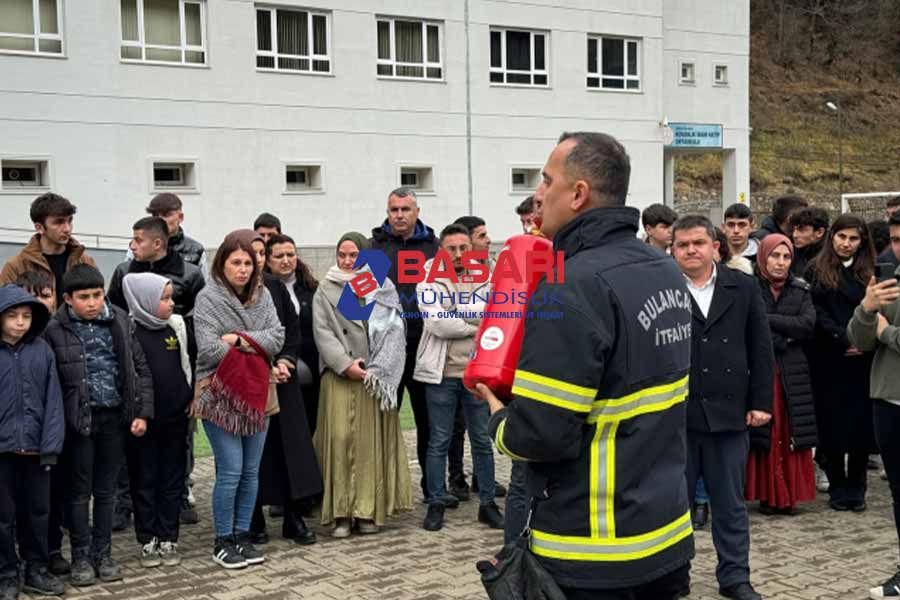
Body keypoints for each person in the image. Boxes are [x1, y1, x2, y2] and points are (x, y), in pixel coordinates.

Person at [477, 132, 695, 598]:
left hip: (593, 547)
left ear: (577, 194)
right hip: (665, 533)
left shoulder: (570, 285)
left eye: (546, 180)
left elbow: (541, 435)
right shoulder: (663, 269)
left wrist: (498, 417)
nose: (538, 194)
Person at [673, 215, 773, 600]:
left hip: (729, 414)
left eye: (698, 243)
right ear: (672, 250)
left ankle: (735, 576)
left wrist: (761, 402)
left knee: (730, 504)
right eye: (683, 245)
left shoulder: (743, 287)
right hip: (676, 416)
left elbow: (760, 347)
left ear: (715, 246)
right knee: (674, 505)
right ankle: (673, 576)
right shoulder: (661, 289)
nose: (691, 251)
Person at [43, 264, 153, 587]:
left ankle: (102, 553)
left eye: (97, 295)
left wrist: (141, 412)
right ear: (67, 299)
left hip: (114, 418)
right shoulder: (55, 329)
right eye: (84, 297)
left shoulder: (120, 319)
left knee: (106, 491)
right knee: (78, 492)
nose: (92, 303)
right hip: (78, 422)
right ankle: (80, 556)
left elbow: (140, 368)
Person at [190, 231, 284, 570]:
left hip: (258, 391)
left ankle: (243, 535)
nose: (243, 269)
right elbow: (208, 349)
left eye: (248, 263)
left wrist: (237, 339)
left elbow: (277, 337)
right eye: (236, 262)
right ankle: (223, 540)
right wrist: (255, 345)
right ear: (222, 263)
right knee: (230, 470)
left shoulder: (263, 295)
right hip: (219, 391)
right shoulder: (208, 298)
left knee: (250, 471)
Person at [108, 216, 204, 530]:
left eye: (138, 240)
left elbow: (198, 324)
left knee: (178, 441)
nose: (132, 245)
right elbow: (115, 314)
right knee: (134, 445)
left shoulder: (189, 274)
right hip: (136, 372)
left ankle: (178, 497)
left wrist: (193, 383)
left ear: (158, 243)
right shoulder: (124, 272)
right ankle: (125, 502)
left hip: (176, 364)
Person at [312, 232, 411, 538]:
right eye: (342, 254)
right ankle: (341, 513)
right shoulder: (325, 288)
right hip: (339, 376)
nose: (346, 261)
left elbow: (394, 332)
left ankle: (366, 511)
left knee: (368, 446)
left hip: (373, 379)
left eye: (353, 255)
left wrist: (376, 370)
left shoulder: (382, 287)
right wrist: (345, 364)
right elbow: (323, 332)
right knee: (339, 441)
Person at [415, 224, 503, 532]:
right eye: (451, 249)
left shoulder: (486, 277)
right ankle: (436, 502)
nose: (458, 254)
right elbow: (437, 322)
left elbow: (493, 312)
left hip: (476, 373)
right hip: (441, 373)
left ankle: (488, 504)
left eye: (463, 248)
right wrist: (474, 325)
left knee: (481, 439)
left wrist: (459, 314)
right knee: (439, 440)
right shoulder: (428, 277)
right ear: (441, 251)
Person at [243, 234, 322, 546]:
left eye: (262, 254)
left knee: (292, 448)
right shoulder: (227, 292)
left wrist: (287, 360)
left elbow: (292, 331)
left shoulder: (275, 288)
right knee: (255, 452)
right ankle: (253, 518)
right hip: (248, 381)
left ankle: (293, 516)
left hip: (283, 381)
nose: (258, 260)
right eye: (252, 254)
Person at [370, 188, 438, 499]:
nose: (399, 215)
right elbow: (357, 301)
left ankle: (432, 489)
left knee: (429, 424)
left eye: (405, 209)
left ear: (417, 212)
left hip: (425, 348)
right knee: (384, 423)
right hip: (388, 352)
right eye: (394, 209)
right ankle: (383, 492)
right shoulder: (374, 249)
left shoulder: (434, 249)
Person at [121, 273, 192, 569]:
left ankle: (168, 536)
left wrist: (189, 397)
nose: (171, 303)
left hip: (176, 419)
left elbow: (185, 364)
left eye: (171, 297)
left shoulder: (174, 327)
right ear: (145, 301)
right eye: (164, 299)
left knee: (172, 479)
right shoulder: (129, 332)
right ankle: (147, 538)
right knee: (145, 479)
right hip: (144, 424)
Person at [806, 215, 876, 512]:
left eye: (853, 238)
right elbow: (816, 312)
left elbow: (876, 309)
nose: (846, 244)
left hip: (863, 357)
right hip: (829, 356)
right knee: (831, 423)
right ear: (831, 236)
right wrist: (843, 338)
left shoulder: (870, 271)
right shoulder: (815, 270)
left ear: (862, 241)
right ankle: (836, 484)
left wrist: (862, 339)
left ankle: (857, 486)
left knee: (861, 424)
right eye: (842, 237)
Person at [744, 235, 817, 515]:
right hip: (760, 369)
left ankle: (789, 495)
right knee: (764, 430)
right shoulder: (749, 287)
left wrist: (767, 321)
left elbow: (806, 325)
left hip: (792, 370)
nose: (780, 262)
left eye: (786, 257)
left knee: (791, 429)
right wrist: (784, 335)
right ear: (763, 257)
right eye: (774, 256)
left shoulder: (800, 289)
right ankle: (766, 494)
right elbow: (747, 326)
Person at [0, 285, 65, 599]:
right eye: (12, 316)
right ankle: (6, 573)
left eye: (26, 316)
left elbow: (54, 401)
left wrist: (50, 447)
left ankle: (36, 569)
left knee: (38, 512)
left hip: (37, 450)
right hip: (2, 451)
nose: (20, 322)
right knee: (2, 516)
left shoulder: (43, 351)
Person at [846, 272, 900, 599]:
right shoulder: (890, 284)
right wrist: (866, 309)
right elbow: (860, 340)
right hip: (889, 400)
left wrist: (887, 332)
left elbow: (883, 335)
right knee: (899, 493)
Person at [264, 234, 321, 436]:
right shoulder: (261, 291)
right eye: (279, 256)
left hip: (312, 369)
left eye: (290, 255)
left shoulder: (312, 288)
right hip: (278, 369)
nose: (286, 260)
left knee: (310, 424)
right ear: (268, 260)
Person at [0, 193, 96, 308]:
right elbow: (6, 308)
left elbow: (99, 300)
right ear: (39, 227)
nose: (67, 228)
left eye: (69, 221)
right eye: (59, 222)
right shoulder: (16, 266)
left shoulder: (84, 261)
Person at [137, 193, 206, 273]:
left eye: (166, 215)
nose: (160, 220)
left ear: (180, 217)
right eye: (155, 215)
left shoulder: (196, 249)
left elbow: (203, 280)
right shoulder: (138, 245)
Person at [789, 207, 829, 278]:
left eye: (801, 230)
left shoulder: (831, 258)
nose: (794, 235)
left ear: (819, 232)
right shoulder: (793, 250)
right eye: (794, 229)